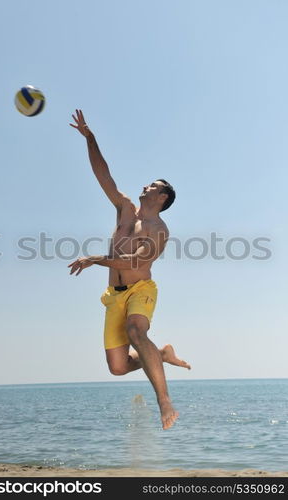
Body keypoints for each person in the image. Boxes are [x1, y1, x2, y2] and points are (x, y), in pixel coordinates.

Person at [68, 110, 191, 430]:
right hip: (113, 296)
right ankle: (161, 353)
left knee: (138, 332)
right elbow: (103, 175)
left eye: (153, 185)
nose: (145, 185)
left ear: (162, 197)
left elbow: (134, 263)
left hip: (140, 290)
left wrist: (94, 259)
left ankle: (164, 402)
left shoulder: (159, 230)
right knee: (118, 368)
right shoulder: (124, 209)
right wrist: (90, 139)